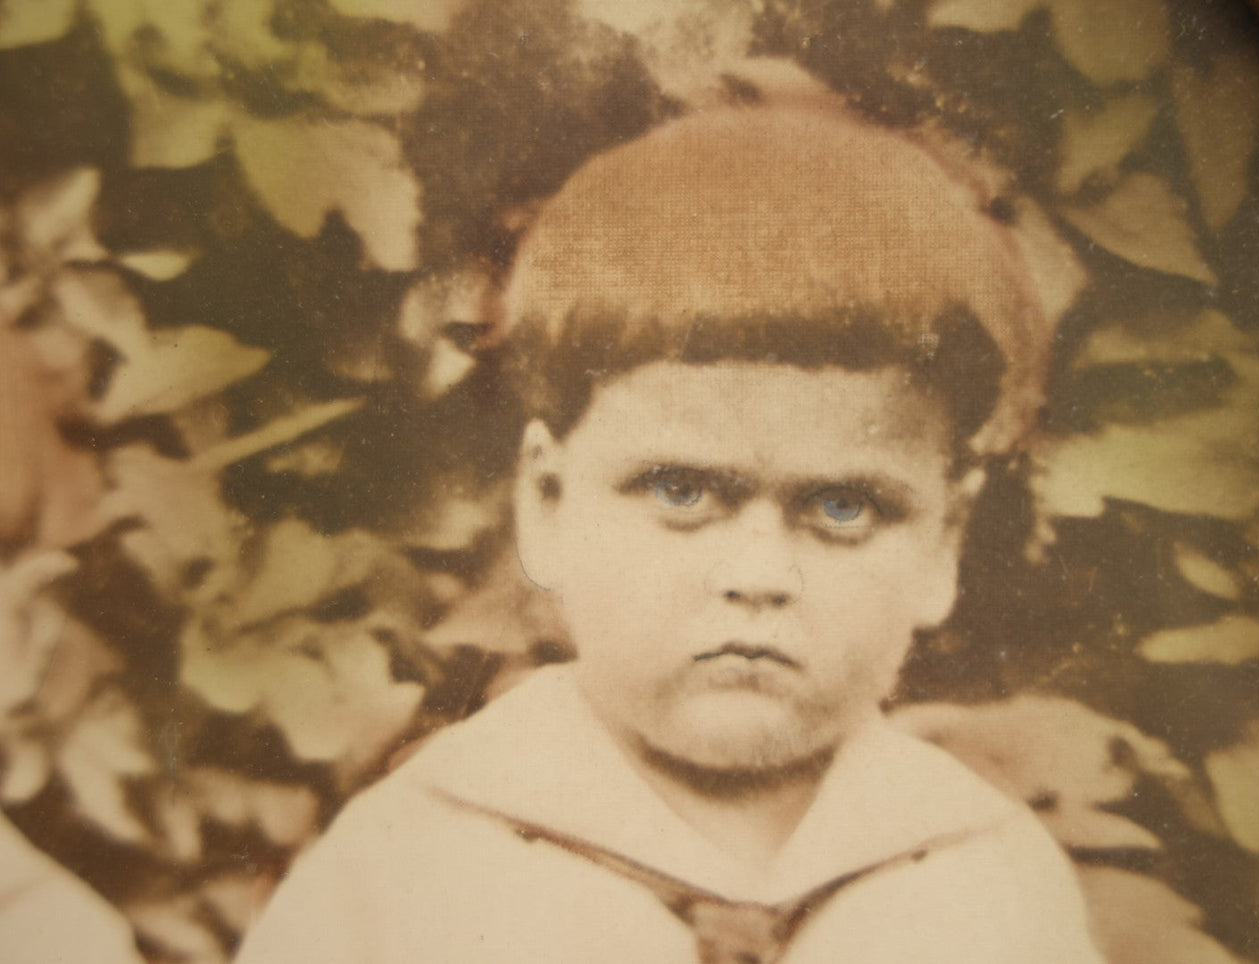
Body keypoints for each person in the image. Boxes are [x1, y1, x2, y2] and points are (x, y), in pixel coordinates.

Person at [235, 100, 1105, 963]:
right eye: (682, 491)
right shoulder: (409, 866)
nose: (759, 576)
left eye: (844, 507)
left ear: (942, 541)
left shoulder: (986, 881)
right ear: (546, 502)